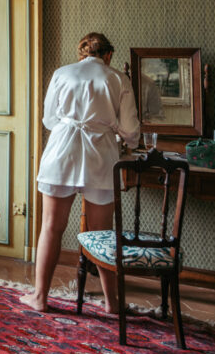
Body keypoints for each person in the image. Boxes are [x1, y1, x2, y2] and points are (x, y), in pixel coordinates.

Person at [19, 32, 141, 314]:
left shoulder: (62, 73)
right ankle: (113, 303)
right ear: (108, 55)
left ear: (82, 53)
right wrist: (125, 139)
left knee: (51, 226)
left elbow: (49, 119)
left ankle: (40, 297)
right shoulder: (118, 79)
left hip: (62, 152)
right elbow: (131, 130)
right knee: (102, 233)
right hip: (100, 156)